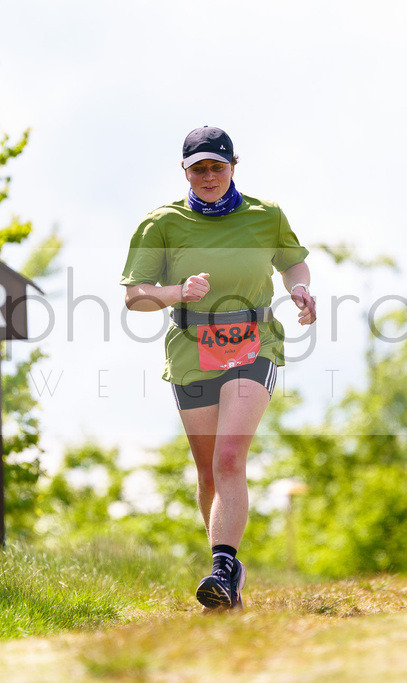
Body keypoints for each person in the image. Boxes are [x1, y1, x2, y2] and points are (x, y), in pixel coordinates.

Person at [120, 126, 316, 610]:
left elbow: (293, 263)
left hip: (254, 341)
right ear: (184, 171)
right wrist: (176, 291)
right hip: (192, 348)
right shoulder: (161, 224)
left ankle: (222, 570)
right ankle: (228, 571)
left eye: (217, 167)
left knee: (229, 458)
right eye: (199, 169)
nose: (209, 176)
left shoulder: (265, 215)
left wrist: (299, 288)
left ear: (233, 167)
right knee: (208, 471)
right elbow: (135, 296)